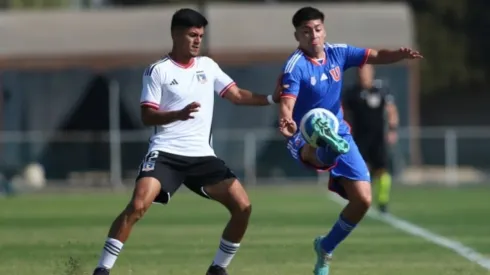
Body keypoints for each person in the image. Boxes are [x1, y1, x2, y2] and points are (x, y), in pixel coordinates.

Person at [92, 8, 280, 275]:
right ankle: (102, 270)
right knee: (138, 205)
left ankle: (218, 268)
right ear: (175, 34)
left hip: (202, 156)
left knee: (243, 207)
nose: (197, 41)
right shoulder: (158, 71)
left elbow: (237, 94)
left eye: (201, 36)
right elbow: (147, 115)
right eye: (192, 35)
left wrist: (272, 99)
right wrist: (177, 114)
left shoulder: (208, 66)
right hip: (166, 152)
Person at [277, 7, 422, 275]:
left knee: (363, 201)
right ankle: (326, 145)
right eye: (306, 32)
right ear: (297, 34)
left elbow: (374, 55)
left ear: (324, 30)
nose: (314, 36)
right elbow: (287, 103)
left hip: (338, 130)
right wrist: (287, 119)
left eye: (317, 29)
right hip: (303, 132)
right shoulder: (295, 66)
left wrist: (398, 56)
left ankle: (325, 247)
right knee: (312, 153)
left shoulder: (338, 53)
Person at [343, 64, 399, 213]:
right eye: (360, 72)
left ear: (372, 73)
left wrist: (392, 129)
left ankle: (383, 201)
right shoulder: (351, 93)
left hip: (378, 138)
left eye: (366, 72)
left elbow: (391, 110)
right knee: (359, 170)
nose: (363, 75)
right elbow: (343, 113)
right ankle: (361, 199)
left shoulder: (381, 90)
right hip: (359, 138)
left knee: (382, 170)